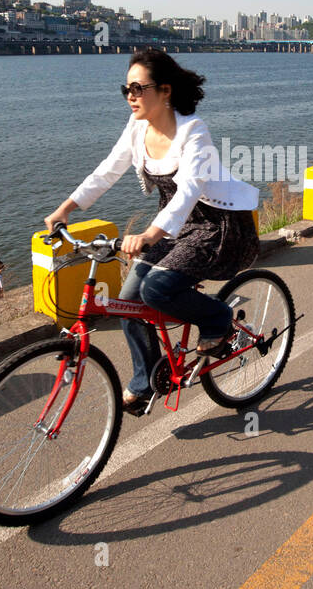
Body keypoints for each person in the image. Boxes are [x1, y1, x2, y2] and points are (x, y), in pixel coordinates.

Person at [44, 48, 260, 415]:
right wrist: (66, 208)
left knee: (156, 288)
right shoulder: (137, 128)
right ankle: (146, 381)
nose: (130, 97)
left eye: (138, 89)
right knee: (130, 303)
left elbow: (190, 190)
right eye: (125, 89)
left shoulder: (194, 132)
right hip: (173, 227)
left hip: (216, 225)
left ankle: (218, 319)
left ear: (165, 91)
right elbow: (107, 171)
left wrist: (149, 234)